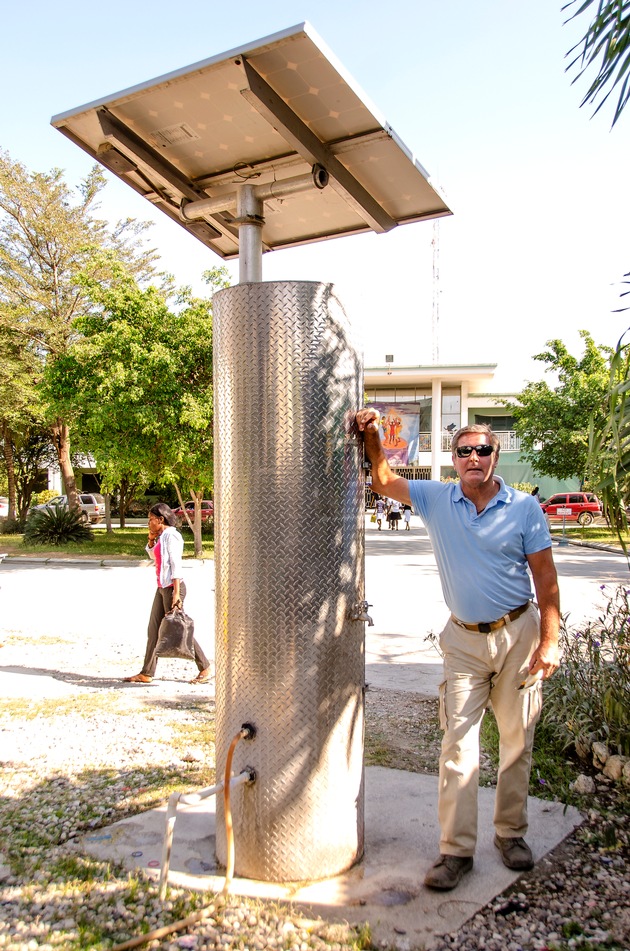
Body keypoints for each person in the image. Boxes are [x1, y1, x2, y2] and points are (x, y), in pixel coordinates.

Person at [355, 409, 560, 891]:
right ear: (453, 459)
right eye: (465, 450)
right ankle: (456, 851)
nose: (474, 457)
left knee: (516, 741)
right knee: (457, 746)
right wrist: (369, 435)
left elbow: (546, 580)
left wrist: (550, 641)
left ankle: (510, 834)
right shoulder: (437, 498)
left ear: (495, 456)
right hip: (463, 641)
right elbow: (383, 481)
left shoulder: (524, 508)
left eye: (483, 450)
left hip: (518, 635)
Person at [123, 502, 213, 686]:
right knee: (153, 630)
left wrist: (176, 594)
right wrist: (150, 540)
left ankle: (205, 667)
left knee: (178, 628)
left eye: (150, 520)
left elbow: (176, 564)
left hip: (173, 588)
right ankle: (146, 673)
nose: (149, 523)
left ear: (160, 519)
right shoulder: (162, 536)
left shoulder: (172, 536)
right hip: (162, 587)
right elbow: (153, 557)